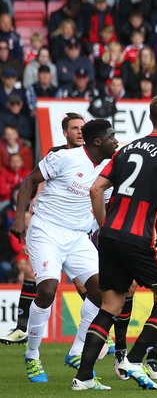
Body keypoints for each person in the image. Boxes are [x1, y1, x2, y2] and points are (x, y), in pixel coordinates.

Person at [71, 97, 157, 390]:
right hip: (139, 237)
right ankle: (134, 359)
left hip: (110, 236)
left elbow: (96, 189)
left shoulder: (128, 147)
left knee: (110, 306)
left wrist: (106, 225)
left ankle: (84, 377)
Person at [7, 119, 116, 383]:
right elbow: (29, 182)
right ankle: (32, 356)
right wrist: (20, 217)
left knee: (103, 291)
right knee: (47, 290)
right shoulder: (64, 158)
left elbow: (109, 204)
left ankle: (76, 351)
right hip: (47, 229)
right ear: (98, 141)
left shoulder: (110, 169)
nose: (116, 140)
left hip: (79, 236)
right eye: (112, 136)